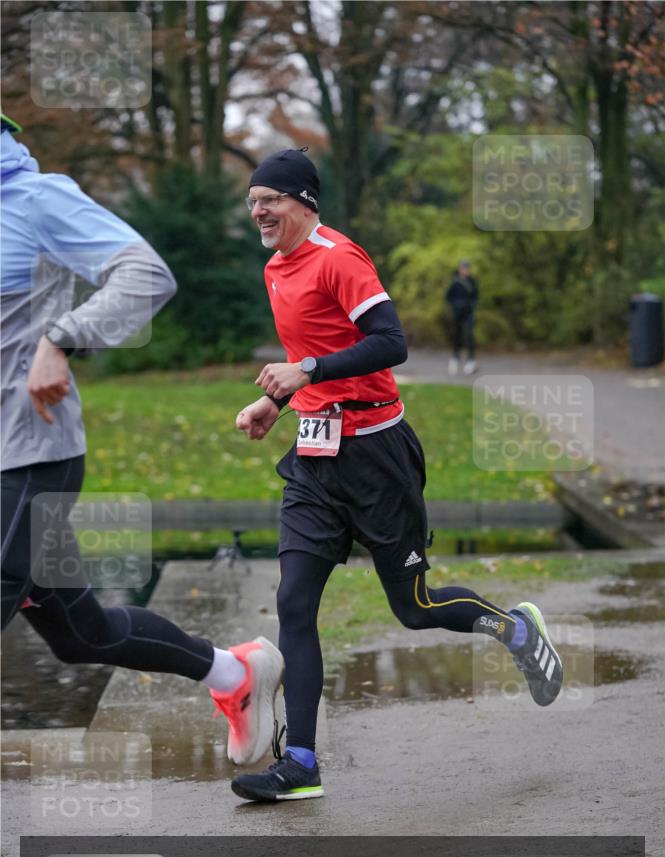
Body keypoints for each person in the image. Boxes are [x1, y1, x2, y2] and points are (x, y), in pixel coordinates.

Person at [233, 148, 563, 803]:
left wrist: (308, 375)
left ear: (303, 201)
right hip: (315, 459)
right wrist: (277, 398)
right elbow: (312, 350)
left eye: (269, 199)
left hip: (378, 455)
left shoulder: (339, 257)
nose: (258, 212)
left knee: (413, 609)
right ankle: (300, 762)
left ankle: (516, 629)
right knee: (295, 601)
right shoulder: (275, 267)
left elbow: (390, 341)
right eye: (251, 203)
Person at [0, 112, 282, 767]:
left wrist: (61, 338)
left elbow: (145, 274)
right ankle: (234, 675)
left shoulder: (36, 200)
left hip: (31, 458)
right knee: (83, 635)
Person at [445, 260, 478, 376]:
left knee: (469, 335)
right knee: (457, 335)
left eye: (467, 268)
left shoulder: (472, 281)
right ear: (460, 269)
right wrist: (456, 305)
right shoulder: (455, 282)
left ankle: (471, 360)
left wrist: (470, 305)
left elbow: (475, 296)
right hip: (457, 313)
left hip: (468, 312)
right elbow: (448, 297)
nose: (465, 271)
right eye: (463, 268)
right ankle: (455, 358)